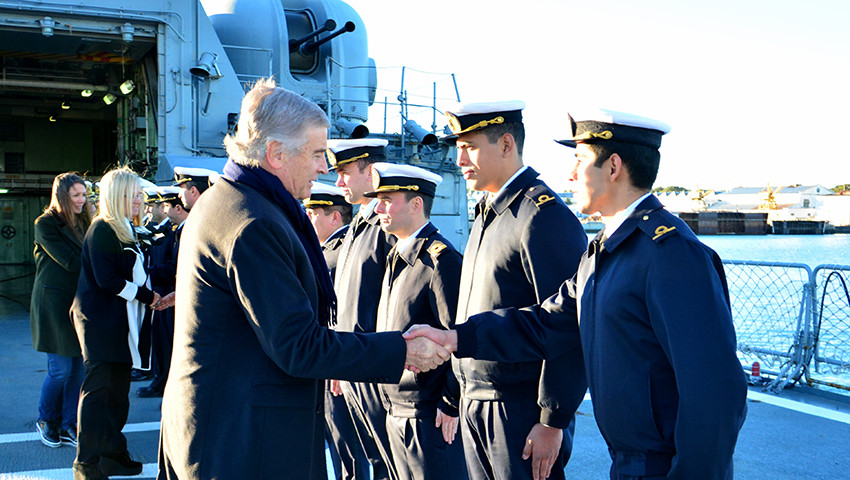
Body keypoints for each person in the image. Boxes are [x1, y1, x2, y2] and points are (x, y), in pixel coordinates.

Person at [406, 109, 749, 480]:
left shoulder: (670, 255)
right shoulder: (604, 253)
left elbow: (715, 394)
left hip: (664, 466)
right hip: (627, 462)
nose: (570, 174)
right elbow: (545, 323)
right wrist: (456, 338)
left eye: (580, 160)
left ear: (613, 166)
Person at [156, 78, 447, 480]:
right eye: (315, 154)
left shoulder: (229, 200)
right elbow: (298, 346)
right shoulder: (253, 223)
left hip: (225, 430)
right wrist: (402, 351)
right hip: (243, 445)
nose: (323, 167)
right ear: (275, 153)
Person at [443, 101, 588, 480]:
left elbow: (570, 325)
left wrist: (553, 419)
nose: (459, 159)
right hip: (477, 401)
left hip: (521, 409)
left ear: (506, 144)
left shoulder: (540, 215)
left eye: (470, 146)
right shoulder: (489, 212)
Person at [367, 163, 468, 480]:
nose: (379, 208)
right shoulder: (397, 256)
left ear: (416, 203)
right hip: (396, 411)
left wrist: (451, 401)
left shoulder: (441, 261)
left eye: (388, 199)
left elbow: (460, 338)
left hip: (429, 417)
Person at [71, 167, 161, 480]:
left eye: (139, 194)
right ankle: (88, 462)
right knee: (99, 395)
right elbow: (107, 279)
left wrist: (156, 293)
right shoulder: (103, 230)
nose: (140, 199)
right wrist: (150, 297)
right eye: (134, 194)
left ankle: (111, 454)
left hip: (119, 325)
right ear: (119, 196)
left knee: (116, 395)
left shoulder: (124, 229)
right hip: (101, 324)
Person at [329, 138, 397, 480]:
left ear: (370, 172)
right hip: (356, 367)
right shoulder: (359, 225)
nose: (338, 182)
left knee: (391, 464)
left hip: (380, 371)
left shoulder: (388, 229)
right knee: (372, 459)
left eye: (344, 172)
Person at [31, 172, 92, 448]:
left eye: (84, 195)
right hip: (54, 305)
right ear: (62, 196)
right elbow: (70, 261)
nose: (82, 200)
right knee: (60, 370)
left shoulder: (84, 220)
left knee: (78, 369)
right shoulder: (45, 224)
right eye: (76, 195)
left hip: (78, 302)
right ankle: (47, 419)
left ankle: (69, 422)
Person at [137, 187, 181, 398]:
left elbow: (174, 266)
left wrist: (149, 273)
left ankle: (162, 381)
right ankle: (159, 378)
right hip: (159, 292)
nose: (149, 209)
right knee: (160, 340)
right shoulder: (163, 230)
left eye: (164, 205)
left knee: (167, 342)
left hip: (167, 293)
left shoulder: (172, 233)